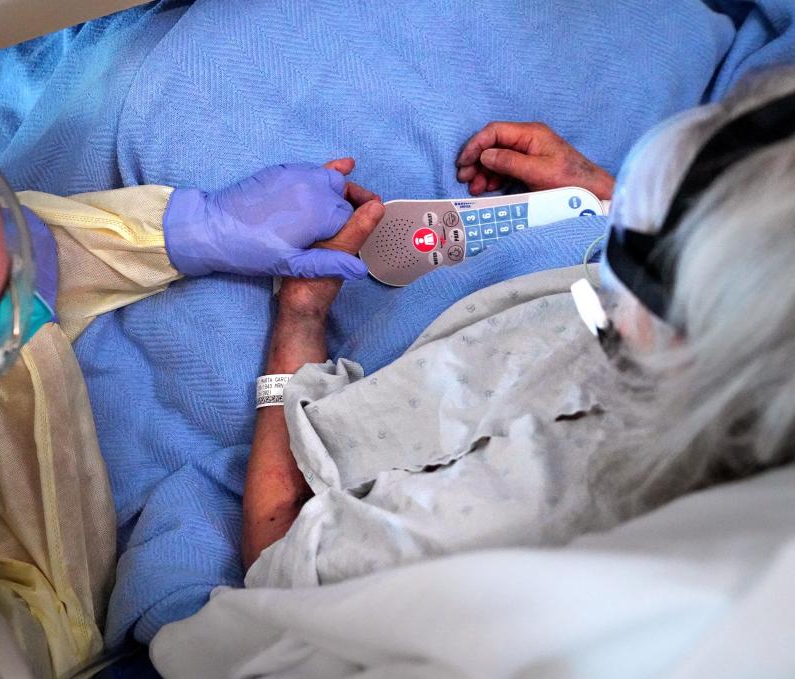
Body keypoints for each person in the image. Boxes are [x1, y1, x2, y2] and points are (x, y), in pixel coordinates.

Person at [0, 99, 382, 678]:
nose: (28, 272)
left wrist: (187, 229)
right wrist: (35, 379)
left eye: (2, 223)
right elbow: (50, 631)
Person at [239, 68, 795, 581]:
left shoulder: (508, 509)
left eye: (640, 252)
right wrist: (601, 195)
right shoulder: (742, 330)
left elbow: (277, 561)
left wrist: (301, 312)